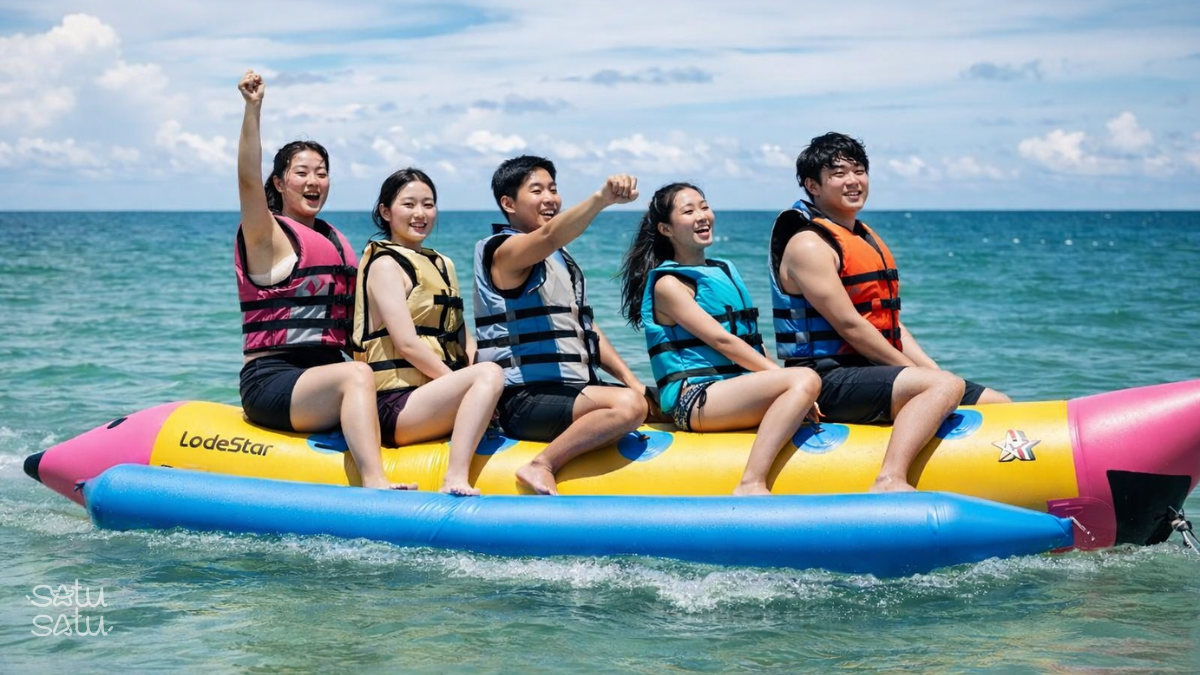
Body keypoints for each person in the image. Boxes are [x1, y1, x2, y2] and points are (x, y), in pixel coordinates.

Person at [769, 132, 1011, 493]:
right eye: (838, 174)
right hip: (827, 380)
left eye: (859, 170)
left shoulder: (861, 235)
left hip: (872, 371)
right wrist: (923, 377)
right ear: (812, 186)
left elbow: (891, 323)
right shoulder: (809, 243)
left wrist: (930, 370)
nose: (853, 181)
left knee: (998, 404)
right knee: (942, 386)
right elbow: (851, 326)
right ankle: (890, 479)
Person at [234, 70, 411, 490]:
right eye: (301, 172)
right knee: (357, 376)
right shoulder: (266, 236)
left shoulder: (334, 241)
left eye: (322, 172)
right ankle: (374, 482)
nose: (314, 181)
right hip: (273, 380)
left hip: (328, 375)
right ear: (278, 182)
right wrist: (252, 110)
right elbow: (245, 181)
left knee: (374, 378)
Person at [619, 183, 822, 495]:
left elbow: (750, 340)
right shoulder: (670, 284)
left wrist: (783, 382)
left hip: (731, 392)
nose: (702, 216)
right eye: (689, 211)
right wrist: (787, 380)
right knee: (805, 379)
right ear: (666, 229)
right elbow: (723, 342)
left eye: (704, 207)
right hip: (695, 399)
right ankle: (750, 482)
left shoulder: (724, 269)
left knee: (804, 383)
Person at [474, 155, 650, 495]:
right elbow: (550, 236)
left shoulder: (557, 257)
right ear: (508, 203)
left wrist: (631, 379)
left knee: (649, 402)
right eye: (536, 190)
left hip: (568, 391)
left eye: (553, 189)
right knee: (630, 406)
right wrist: (602, 200)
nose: (550, 198)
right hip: (524, 399)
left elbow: (584, 328)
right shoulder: (503, 252)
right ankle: (541, 464)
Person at [351, 168, 504, 496]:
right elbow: (407, 344)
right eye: (409, 204)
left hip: (431, 396)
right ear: (386, 212)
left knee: (493, 372)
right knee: (488, 374)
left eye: (428, 204)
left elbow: (460, 338)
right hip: (395, 405)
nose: (420, 214)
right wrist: (468, 382)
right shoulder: (385, 266)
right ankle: (455, 477)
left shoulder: (442, 264)